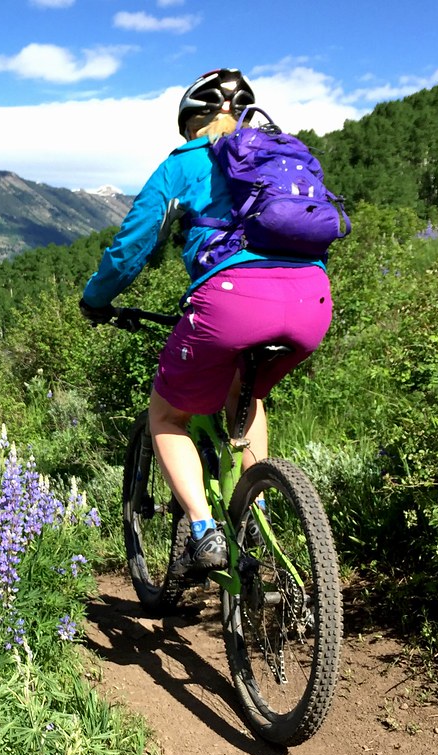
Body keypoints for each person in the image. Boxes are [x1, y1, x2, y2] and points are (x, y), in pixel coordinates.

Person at [79, 68, 334, 575]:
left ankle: (203, 529)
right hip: (313, 300)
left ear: (191, 120)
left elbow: (132, 246)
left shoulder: (185, 162)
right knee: (250, 391)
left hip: (231, 302)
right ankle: (254, 510)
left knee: (167, 416)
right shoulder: (282, 157)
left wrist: (96, 299)